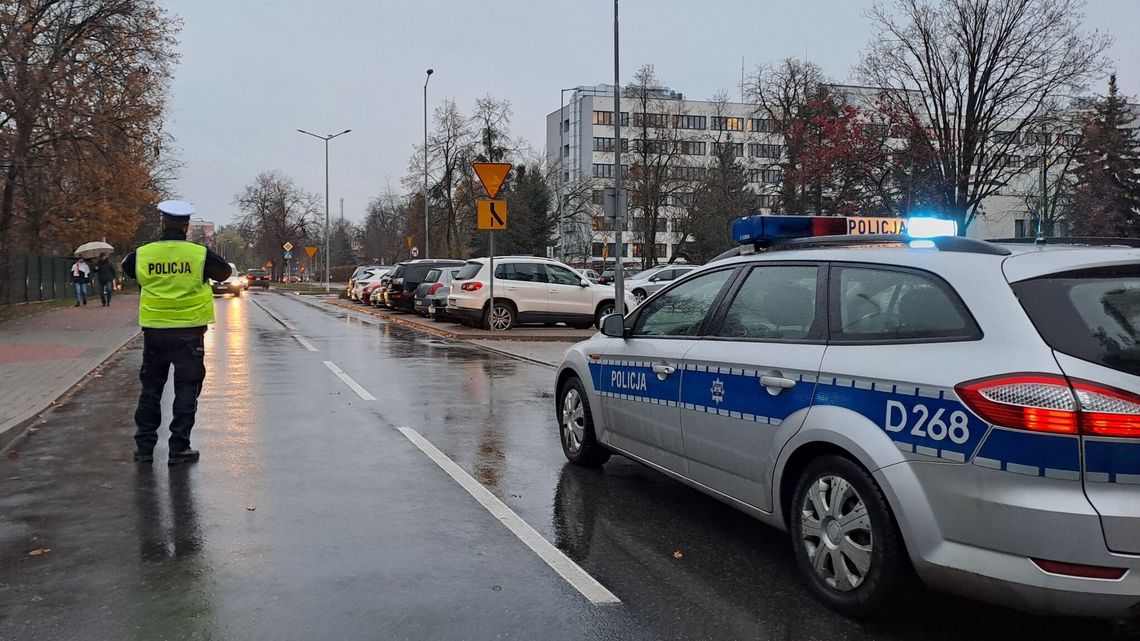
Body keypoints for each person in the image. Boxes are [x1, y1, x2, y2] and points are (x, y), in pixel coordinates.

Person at [121, 200, 231, 465]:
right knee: (186, 390)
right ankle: (178, 447)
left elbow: (127, 270)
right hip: (190, 333)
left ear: (162, 223)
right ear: (186, 226)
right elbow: (224, 272)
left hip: (155, 333)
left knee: (151, 390)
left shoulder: (143, 254)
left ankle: (145, 448)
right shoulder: (199, 254)